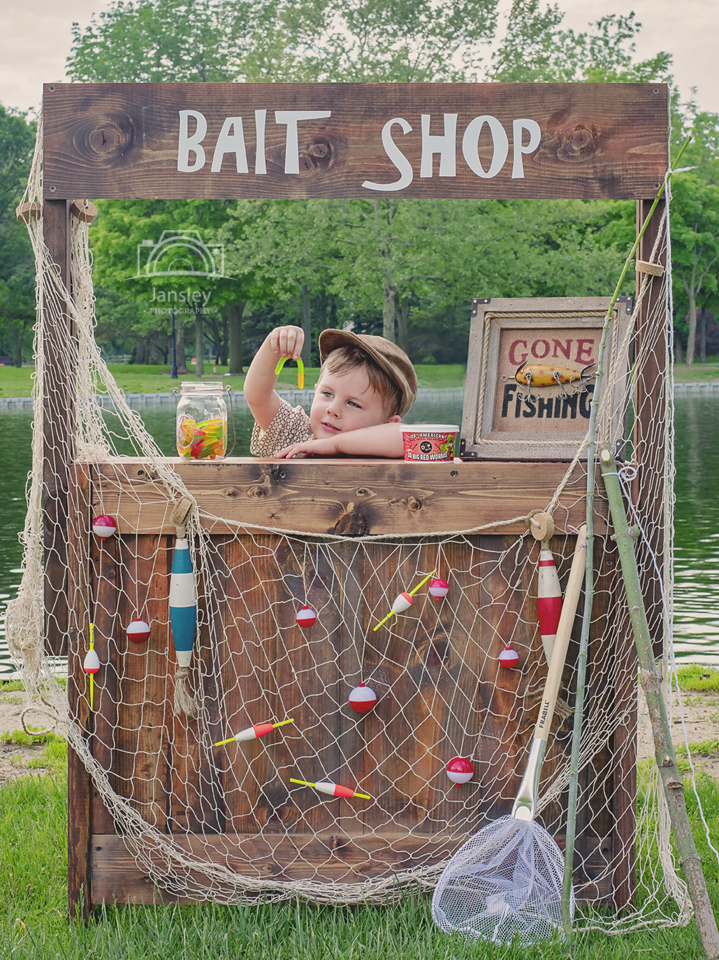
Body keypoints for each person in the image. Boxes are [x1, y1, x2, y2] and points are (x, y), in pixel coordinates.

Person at [245, 325, 417, 458]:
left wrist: (335, 445)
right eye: (327, 394)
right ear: (315, 391)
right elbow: (258, 396)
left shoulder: (386, 448)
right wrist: (273, 345)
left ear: (388, 423)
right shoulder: (298, 435)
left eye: (353, 403)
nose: (333, 409)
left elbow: (408, 438)